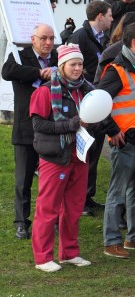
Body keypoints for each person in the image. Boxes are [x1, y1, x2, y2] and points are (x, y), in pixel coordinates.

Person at [96, 23, 135, 258]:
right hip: (126, 142)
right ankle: (111, 241)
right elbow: (98, 101)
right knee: (117, 192)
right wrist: (111, 130)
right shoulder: (117, 70)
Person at [29, 44, 95, 272]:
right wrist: (71, 124)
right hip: (54, 157)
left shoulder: (86, 89)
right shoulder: (46, 91)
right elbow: (38, 125)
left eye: (80, 64)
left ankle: (69, 253)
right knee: (48, 208)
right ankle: (42, 258)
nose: (78, 69)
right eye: (73, 64)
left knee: (74, 208)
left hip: (80, 155)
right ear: (62, 65)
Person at [2, 23, 59, 240]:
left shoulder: (57, 58)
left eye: (51, 38)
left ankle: (50, 219)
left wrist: (54, 71)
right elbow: (7, 72)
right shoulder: (19, 55)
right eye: (44, 38)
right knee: (23, 179)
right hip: (26, 127)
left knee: (52, 179)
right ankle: (21, 222)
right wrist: (39, 73)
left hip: (51, 127)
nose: (48, 43)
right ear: (33, 39)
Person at [66, 0, 113, 216]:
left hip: (97, 103)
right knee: (82, 154)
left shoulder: (102, 38)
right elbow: (69, 67)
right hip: (83, 105)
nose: (112, 19)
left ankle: (88, 195)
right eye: (110, 15)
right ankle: (78, 199)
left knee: (93, 152)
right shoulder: (80, 36)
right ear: (100, 16)